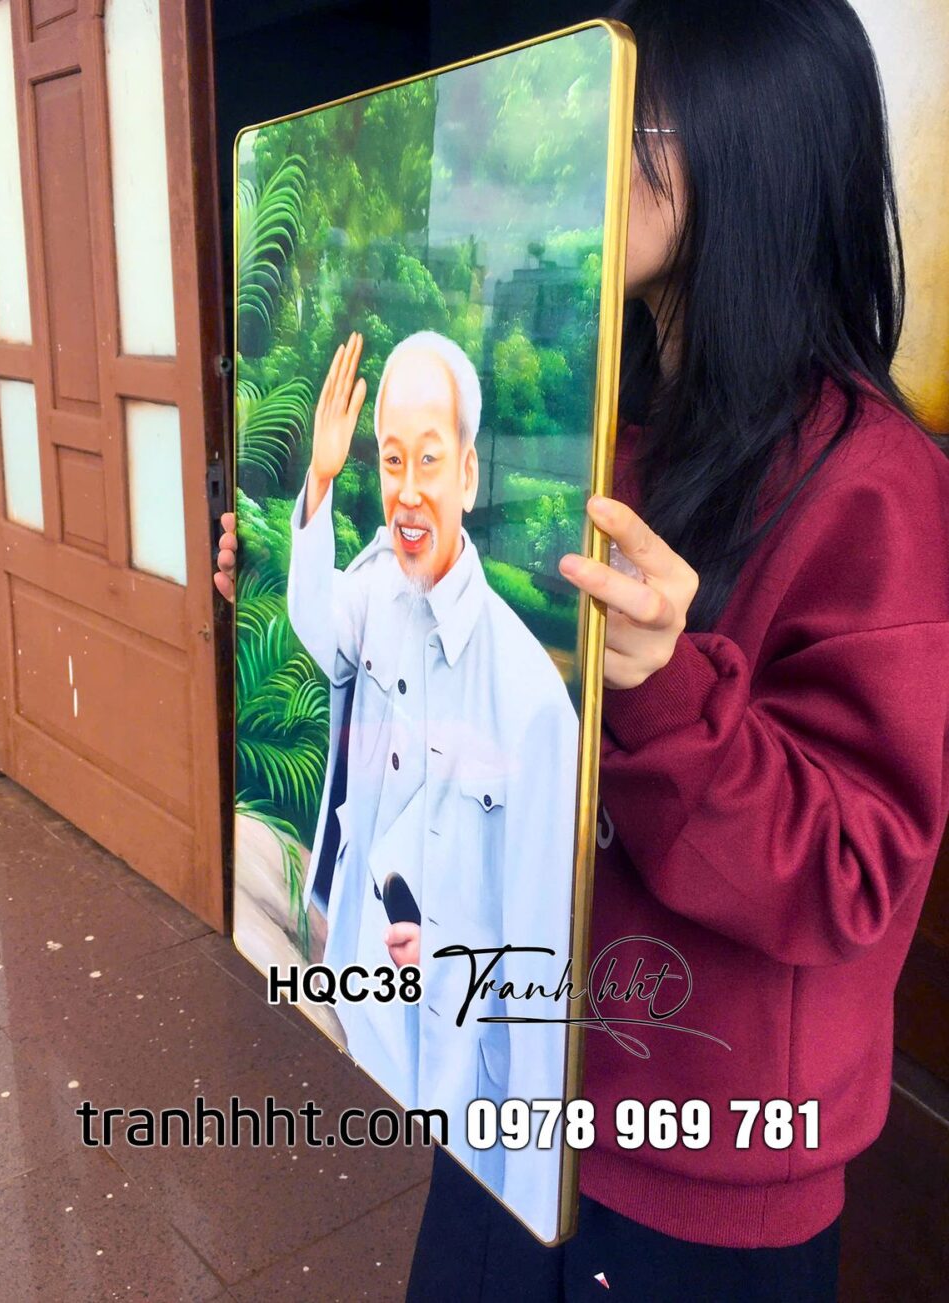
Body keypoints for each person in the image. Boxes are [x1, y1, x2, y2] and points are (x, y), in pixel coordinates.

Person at [218, 0, 949, 1293]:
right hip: (518, 1083)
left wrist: (667, 691)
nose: (592, 152)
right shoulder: (598, 425)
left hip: (707, 1154)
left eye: (635, 118)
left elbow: (848, 874)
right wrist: (291, 570)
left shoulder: (873, 486)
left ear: (754, 147)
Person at [219, 329, 580, 1241]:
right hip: (360, 1015)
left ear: (469, 473)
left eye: (429, 458)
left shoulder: (529, 696)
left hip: (458, 1074)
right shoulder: (374, 590)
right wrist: (319, 479)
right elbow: (314, 617)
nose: (408, 488)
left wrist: (534, 1190)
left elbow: (542, 963)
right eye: (390, 460)